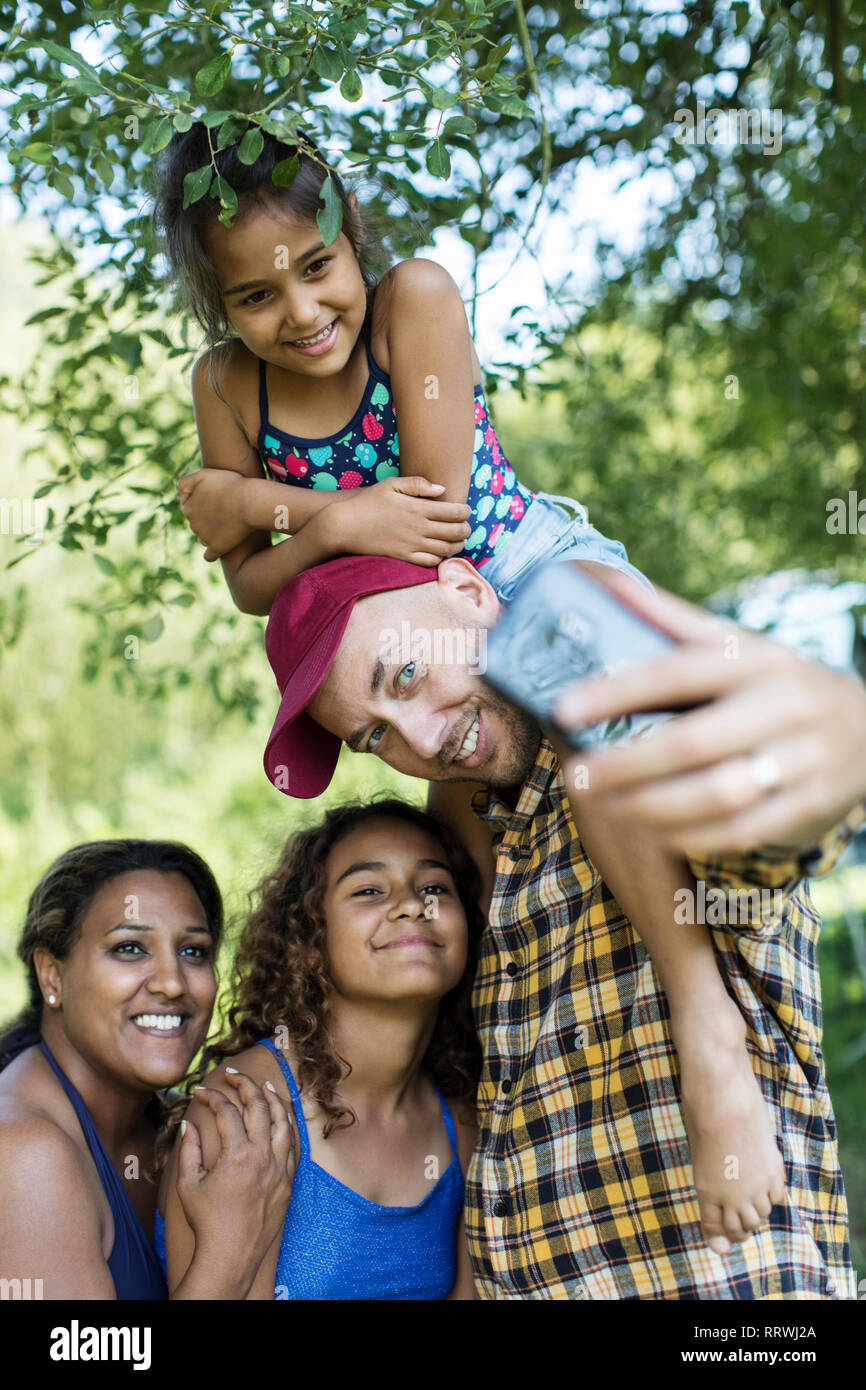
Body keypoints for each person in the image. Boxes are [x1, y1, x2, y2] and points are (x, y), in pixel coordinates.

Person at [153, 125, 787, 1252]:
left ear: (350, 233)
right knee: (474, 903)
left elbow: (439, 534)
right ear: (219, 308)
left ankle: (705, 1023)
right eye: (253, 295)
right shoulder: (226, 386)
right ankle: (512, 1151)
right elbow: (253, 591)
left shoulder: (416, 300)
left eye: (314, 266)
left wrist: (250, 507)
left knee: (606, 746)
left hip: (510, 574)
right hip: (404, 647)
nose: (298, 313)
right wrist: (323, 515)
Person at [256, 552, 866, 1299]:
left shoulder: (637, 759)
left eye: (408, 676)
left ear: (470, 590)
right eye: (375, 737)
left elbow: (765, 823)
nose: (420, 740)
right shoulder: (470, 858)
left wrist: (841, 746)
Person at [156, 800, 481, 1300]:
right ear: (310, 934)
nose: (414, 904)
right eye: (369, 890)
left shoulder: (458, 1119)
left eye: (435, 887)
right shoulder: (247, 1106)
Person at [0, 840, 295, 1300]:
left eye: (194, 952)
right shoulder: (22, 1152)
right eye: (131, 948)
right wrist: (231, 1248)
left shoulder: (174, 1124)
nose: (172, 983)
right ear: (52, 975)